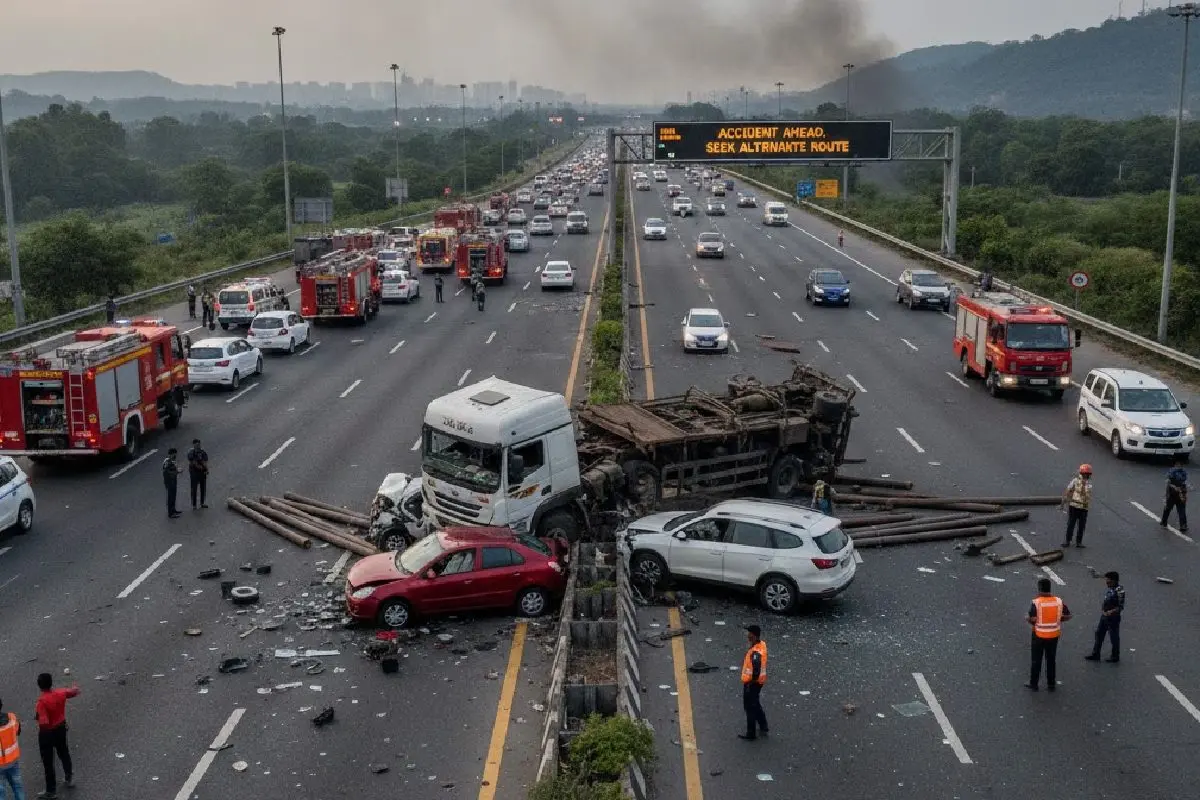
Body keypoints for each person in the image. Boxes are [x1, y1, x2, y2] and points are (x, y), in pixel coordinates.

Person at [34, 674, 77, 798]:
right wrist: (75, 688)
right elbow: (72, 692)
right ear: (51, 683)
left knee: (48, 762)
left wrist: (38, 718)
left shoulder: (42, 702)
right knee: (64, 753)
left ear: (39, 685)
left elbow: (44, 722)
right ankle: (69, 777)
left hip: (47, 733)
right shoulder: (59, 693)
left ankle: (51, 791)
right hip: (61, 728)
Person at [1027, 577, 1071, 691]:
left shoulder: (1037, 602)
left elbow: (1033, 619)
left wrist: (1028, 619)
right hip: (1053, 635)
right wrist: (1058, 620)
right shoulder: (1058, 601)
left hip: (1038, 635)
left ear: (1039, 588)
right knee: (1051, 660)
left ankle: (1034, 684)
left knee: (1036, 660)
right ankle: (1051, 684)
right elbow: (1068, 615)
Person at [1085, 571, 1124, 663]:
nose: (1107, 582)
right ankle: (1096, 654)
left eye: (1109, 580)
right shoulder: (1110, 588)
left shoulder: (1119, 591)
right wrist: (1103, 610)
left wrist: (1111, 612)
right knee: (1099, 634)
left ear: (1114, 581)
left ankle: (1115, 656)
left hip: (1113, 618)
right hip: (1104, 616)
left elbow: (1120, 606)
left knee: (1114, 637)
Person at [738, 625, 768, 740]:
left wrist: (751, 682)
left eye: (749, 633)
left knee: (749, 707)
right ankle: (763, 725)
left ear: (754, 635)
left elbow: (756, 669)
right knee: (755, 703)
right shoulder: (761, 645)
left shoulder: (756, 652)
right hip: (758, 682)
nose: (747, 635)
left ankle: (751, 733)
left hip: (752, 683)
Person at [1061, 464, 1093, 548]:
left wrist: (1084, 485)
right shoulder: (1075, 481)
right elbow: (1068, 490)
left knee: (1081, 526)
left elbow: (1085, 494)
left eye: (1088, 474)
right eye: (1085, 474)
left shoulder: (1089, 484)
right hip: (1074, 506)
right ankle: (1067, 541)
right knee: (1071, 524)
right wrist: (1063, 501)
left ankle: (1079, 542)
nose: (1087, 476)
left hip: (1083, 508)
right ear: (1082, 473)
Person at [0, 697, 25, 800]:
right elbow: (18, 731)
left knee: (1, 792)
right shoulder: (12, 718)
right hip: (13, 761)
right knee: (18, 787)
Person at [1162, 455, 1189, 533]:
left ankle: (1164, 521)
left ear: (1175, 464)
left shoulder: (1171, 471)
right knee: (1181, 509)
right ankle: (1183, 525)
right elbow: (1184, 482)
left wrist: (1166, 493)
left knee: (1168, 508)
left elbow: (1168, 482)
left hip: (1172, 492)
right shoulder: (1184, 472)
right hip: (1181, 492)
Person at [187, 438, 209, 510]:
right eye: (196, 445)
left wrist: (206, 469)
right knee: (194, 488)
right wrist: (200, 467)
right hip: (194, 472)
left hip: (202, 472)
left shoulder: (202, 451)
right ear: (193, 445)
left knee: (203, 487)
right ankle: (194, 505)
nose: (198, 446)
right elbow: (193, 462)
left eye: (199, 444)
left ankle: (202, 502)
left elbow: (205, 460)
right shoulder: (191, 452)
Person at [162, 448, 182, 519]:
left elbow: (173, 469)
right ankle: (170, 513)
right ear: (171, 454)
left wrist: (177, 470)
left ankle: (173, 510)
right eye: (174, 454)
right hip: (169, 482)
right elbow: (166, 472)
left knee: (173, 496)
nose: (175, 455)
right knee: (170, 497)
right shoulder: (167, 462)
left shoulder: (172, 461)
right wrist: (177, 472)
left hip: (173, 481)